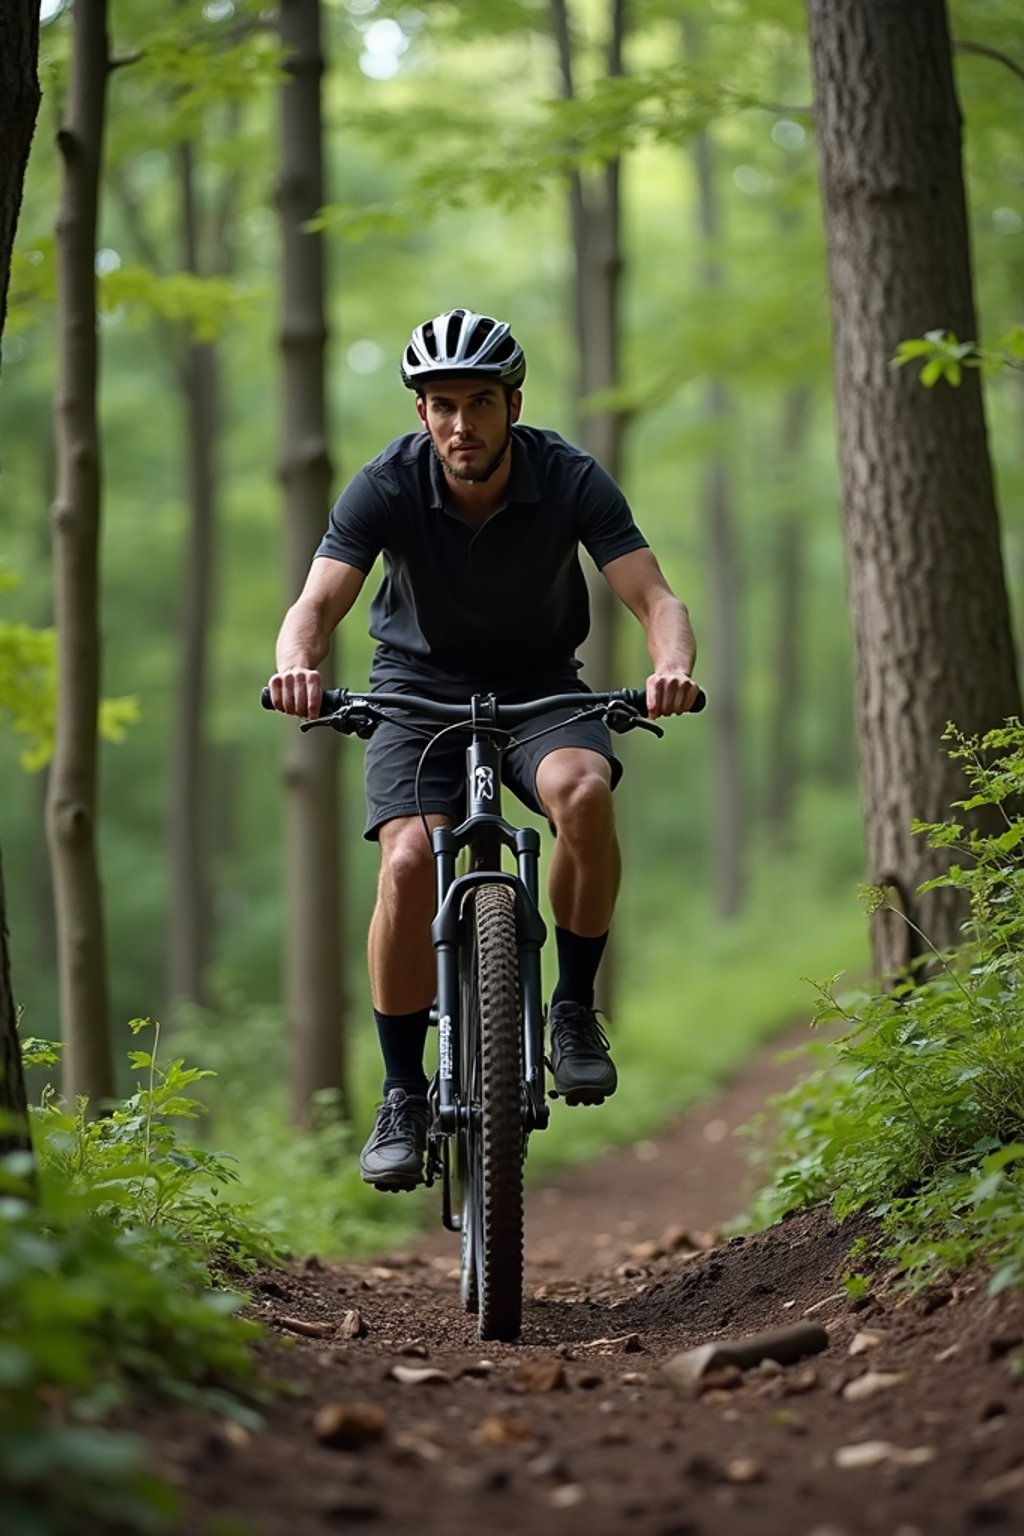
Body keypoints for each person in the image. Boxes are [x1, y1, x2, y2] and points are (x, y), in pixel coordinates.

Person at [267, 307, 700, 1192]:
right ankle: (401, 1091)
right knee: (407, 864)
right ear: (420, 413)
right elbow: (314, 607)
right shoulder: (385, 484)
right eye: (440, 405)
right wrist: (296, 669)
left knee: (583, 794)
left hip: (541, 687)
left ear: (512, 404)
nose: (460, 424)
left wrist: (672, 668)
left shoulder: (568, 475)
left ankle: (573, 1009)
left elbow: (655, 597)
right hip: (413, 696)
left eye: (478, 403)